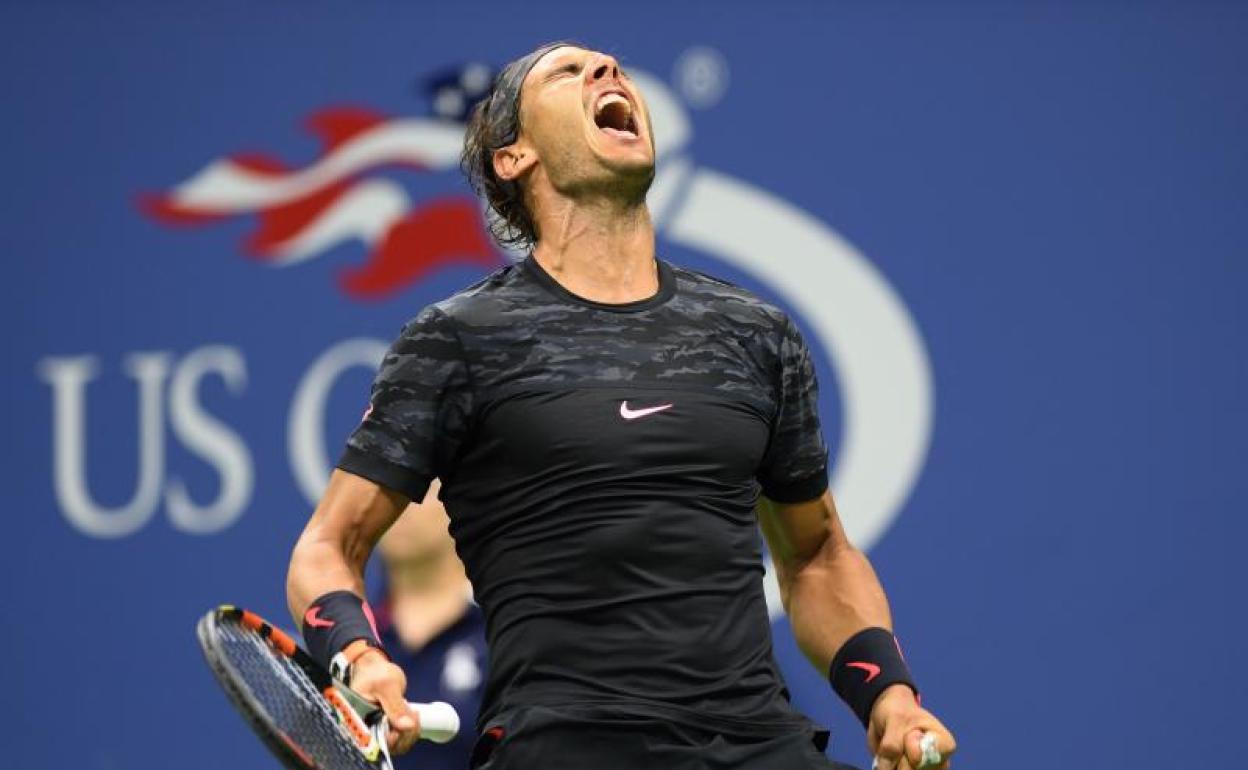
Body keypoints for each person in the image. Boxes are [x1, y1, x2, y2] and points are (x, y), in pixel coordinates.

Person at [287, 41, 957, 770]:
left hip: (761, 746)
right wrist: (358, 658)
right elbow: (329, 547)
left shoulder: (755, 335)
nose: (607, 74)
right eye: (567, 73)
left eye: (613, 68)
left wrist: (890, 695)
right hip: (566, 750)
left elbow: (818, 555)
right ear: (513, 158)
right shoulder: (458, 340)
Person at [368, 480, 486, 770]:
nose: (400, 504)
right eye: (385, 488)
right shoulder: (350, 643)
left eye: (421, 486)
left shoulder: (509, 631)